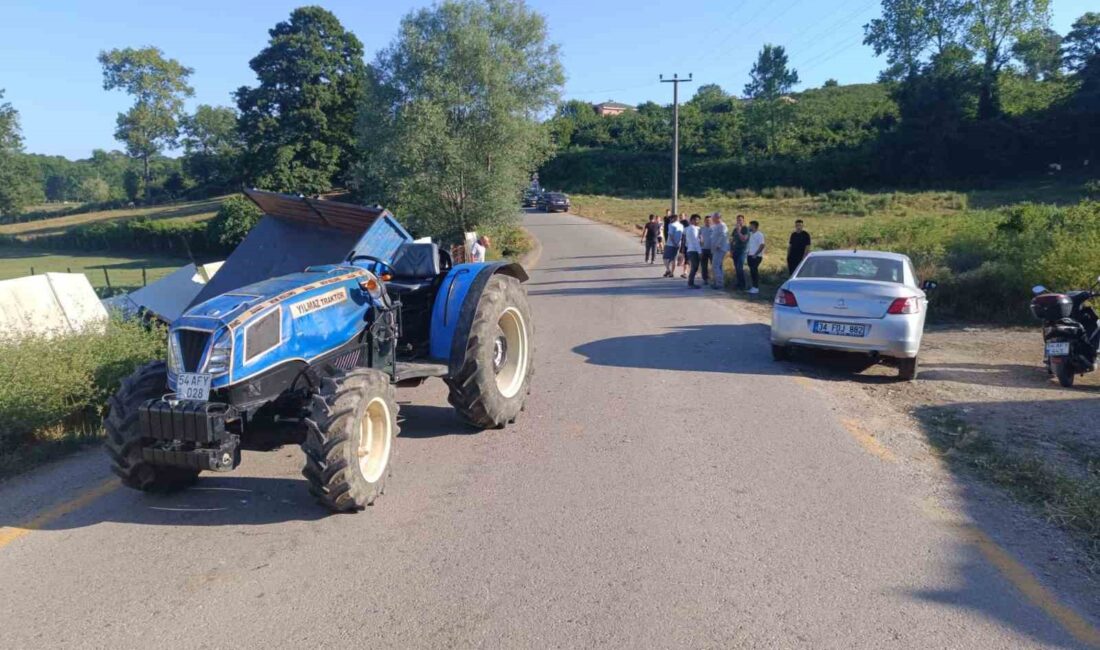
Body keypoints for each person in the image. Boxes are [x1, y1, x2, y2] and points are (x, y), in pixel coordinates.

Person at [730, 214, 750, 290]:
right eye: (738, 220)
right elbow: (732, 240)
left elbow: (744, 239)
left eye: (740, 220)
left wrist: (739, 231)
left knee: (739, 267)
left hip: (742, 251)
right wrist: (731, 250)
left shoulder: (745, 229)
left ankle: (743, 285)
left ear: (743, 221)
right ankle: (739, 283)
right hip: (735, 251)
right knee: (736, 268)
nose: (739, 221)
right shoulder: (735, 229)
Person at [710, 212, 729, 289]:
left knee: (715, 265)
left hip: (720, 249)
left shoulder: (722, 226)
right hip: (715, 249)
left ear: (718, 218)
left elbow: (723, 235)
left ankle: (719, 284)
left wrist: (718, 245)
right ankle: (718, 282)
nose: (712, 219)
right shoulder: (716, 226)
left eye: (713, 218)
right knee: (719, 266)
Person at [684, 214, 703, 289]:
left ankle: (690, 282)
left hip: (690, 249)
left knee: (694, 267)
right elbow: (695, 241)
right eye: (695, 219)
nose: (697, 221)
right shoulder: (693, 229)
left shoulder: (688, 228)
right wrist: (699, 251)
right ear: (691, 220)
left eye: (698, 220)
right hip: (694, 250)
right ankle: (690, 283)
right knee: (694, 267)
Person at [746, 220, 765, 295]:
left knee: (754, 271)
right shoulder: (750, 234)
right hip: (749, 255)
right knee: (752, 271)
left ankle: (756, 288)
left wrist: (756, 254)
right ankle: (753, 287)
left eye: (750, 225)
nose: (749, 227)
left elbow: (762, 245)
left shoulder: (759, 234)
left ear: (754, 226)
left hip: (756, 256)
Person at [699, 214, 714, 286]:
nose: (708, 222)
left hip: (712, 250)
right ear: (704, 221)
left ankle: (714, 279)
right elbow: (698, 238)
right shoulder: (701, 229)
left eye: (709, 220)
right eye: (706, 220)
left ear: (711, 221)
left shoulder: (714, 228)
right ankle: (705, 279)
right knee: (704, 265)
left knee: (713, 265)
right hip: (703, 249)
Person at [677, 212, 689, 278]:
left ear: (685, 216)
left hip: (684, 242)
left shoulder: (685, 223)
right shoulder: (680, 223)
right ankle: (684, 270)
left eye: (682, 216)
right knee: (683, 255)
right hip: (681, 241)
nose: (681, 217)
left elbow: (684, 233)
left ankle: (685, 272)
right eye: (680, 216)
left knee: (685, 256)